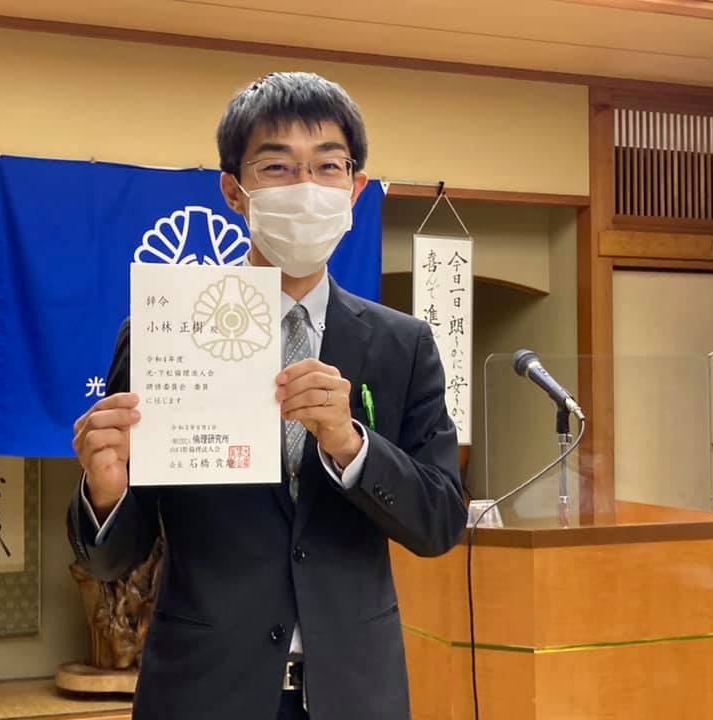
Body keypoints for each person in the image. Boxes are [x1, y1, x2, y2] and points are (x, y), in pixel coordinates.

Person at [67, 71, 467, 720]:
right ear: (235, 191)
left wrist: (351, 445)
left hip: (355, 694)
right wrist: (107, 492)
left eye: (328, 166)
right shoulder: (163, 333)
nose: (306, 187)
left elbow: (440, 523)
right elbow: (114, 559)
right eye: (277, 167)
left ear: (355, 189)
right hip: (204, 693)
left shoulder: (403, 345)